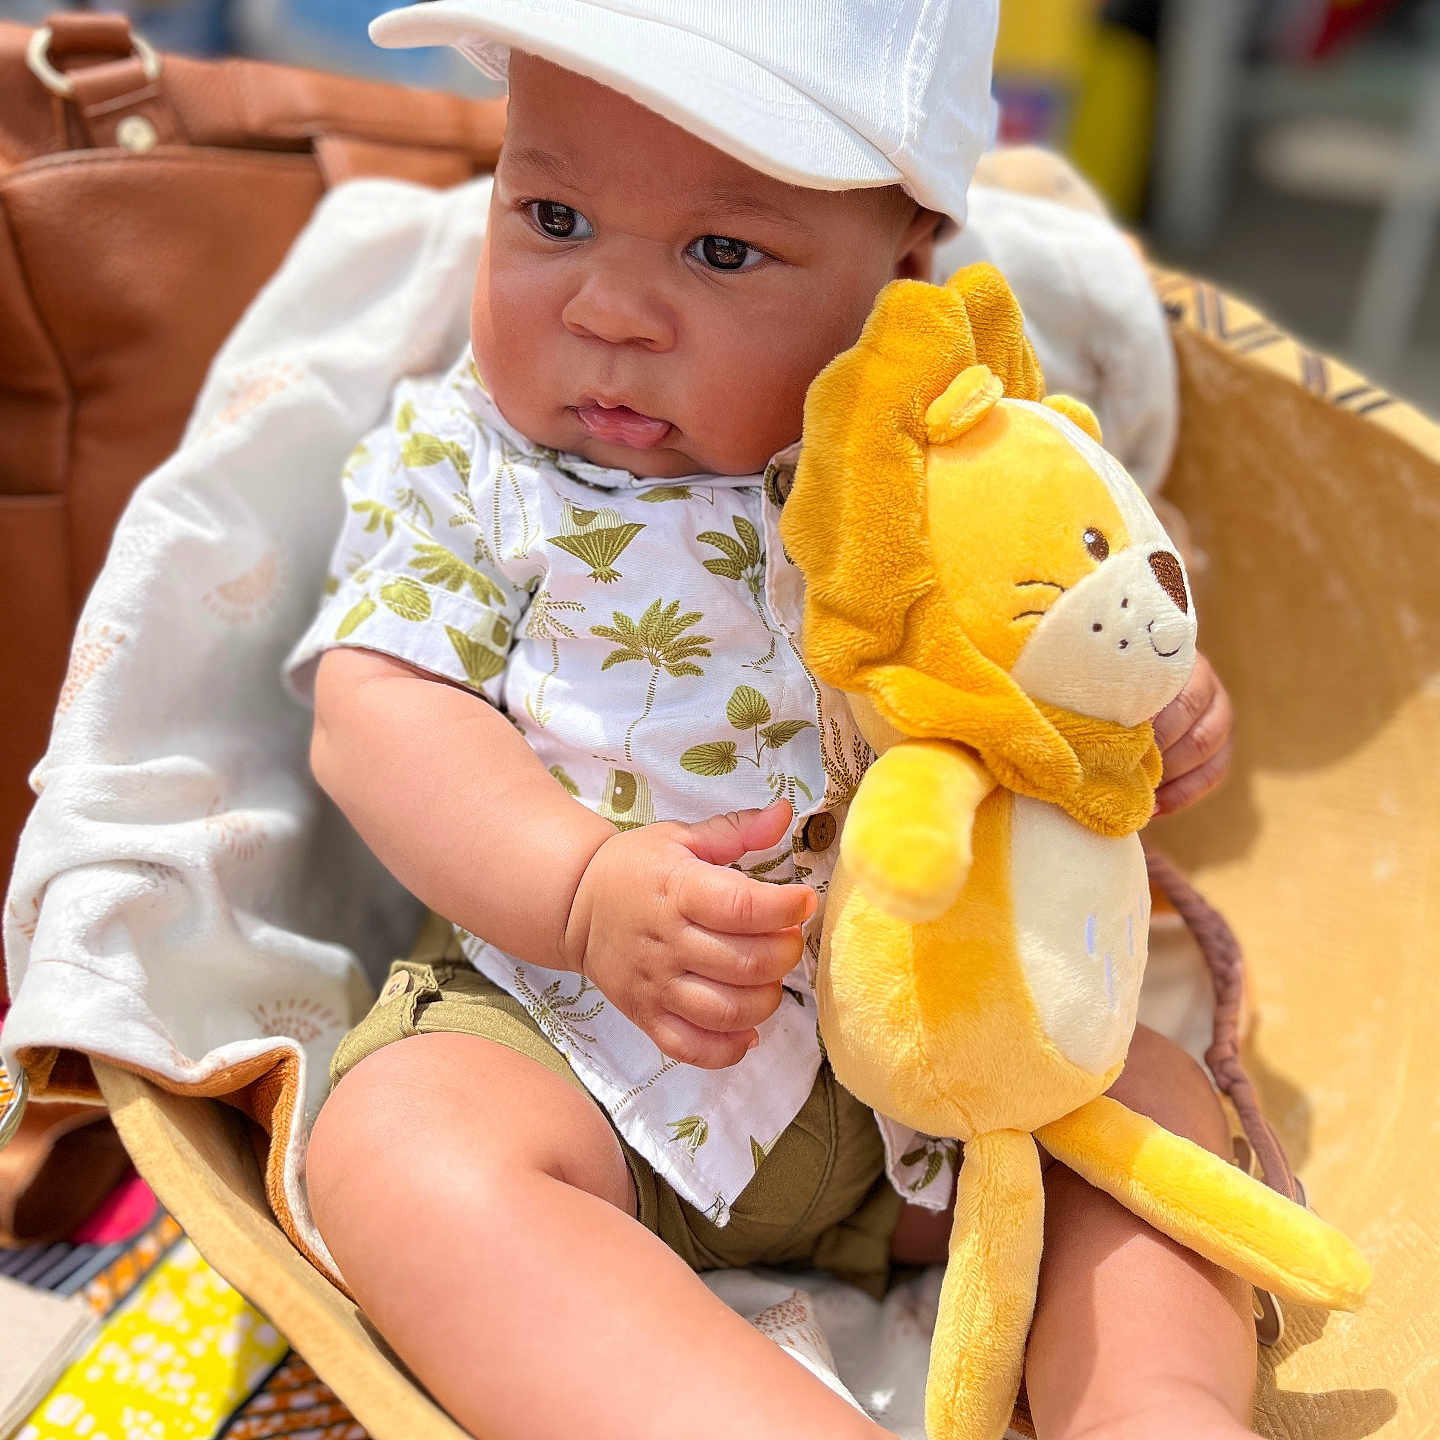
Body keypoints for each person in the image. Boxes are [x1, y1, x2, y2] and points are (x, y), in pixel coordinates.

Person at [287, 5, 1246, 1437]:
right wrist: (581, 887)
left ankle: (1156, 1410)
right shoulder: (466, 465)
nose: (610, 309)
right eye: (552, 214)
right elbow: (377, 712)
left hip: (926, 1052)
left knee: (1151, 1109)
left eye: (721, 251)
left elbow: (1088, 586)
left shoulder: (955, 451)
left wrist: (1159, 695)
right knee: (398, 1149)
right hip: (576, 1035)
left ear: (902, 269)